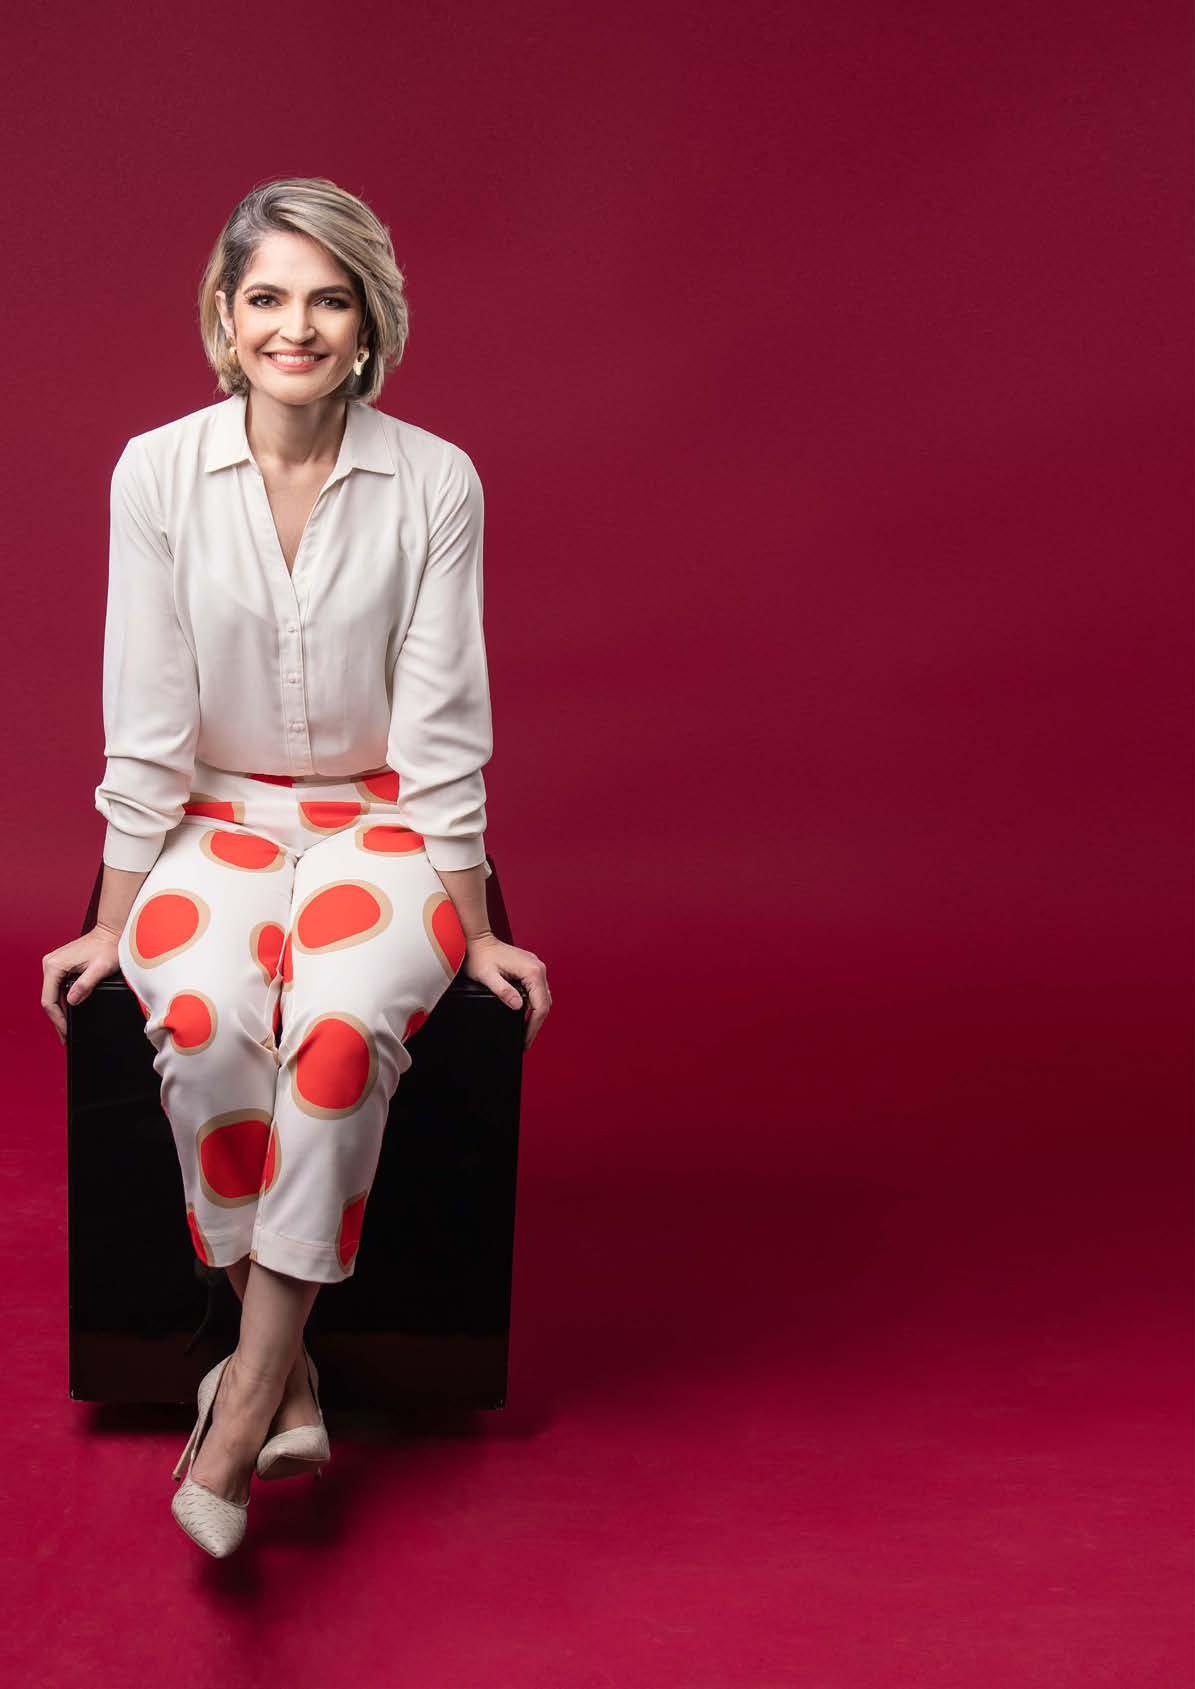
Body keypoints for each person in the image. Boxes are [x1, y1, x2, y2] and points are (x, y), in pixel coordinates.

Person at [40, 176, 551, 1557]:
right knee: (201, 1024)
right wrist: (112, 921)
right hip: (212, 819)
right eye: (267, 297)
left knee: (338, 1033)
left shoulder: (435, 479)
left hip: (380, 822)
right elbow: (147, 717)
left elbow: (444, 724)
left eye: (329, 300)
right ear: (225, 316)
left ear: (369, 322)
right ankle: (293, 1371)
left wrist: (474, 923)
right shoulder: (156, 471)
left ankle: (248, 1385)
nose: (296, 327)